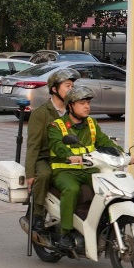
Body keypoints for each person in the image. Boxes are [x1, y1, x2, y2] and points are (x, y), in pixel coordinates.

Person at [46, 85, 119, 252]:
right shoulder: (57, 126)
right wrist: (69, 156)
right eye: (82, 103)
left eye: (88, 103)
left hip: (88, 170)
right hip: (65, 170)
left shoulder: (92, 124)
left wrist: (123, 154)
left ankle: (107, 224)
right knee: (72, 189)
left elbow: (104, 142)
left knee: (109, 187)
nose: (87, 106)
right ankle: (65, 233)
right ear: (70, 106)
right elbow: (58, 146)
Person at [23, 68, 80, 228]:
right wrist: (30, 173)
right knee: (45, 174)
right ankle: (37, 213)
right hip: (45, 157)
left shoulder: (73, 112)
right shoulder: (41, 113)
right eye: (67, 86)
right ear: (54, 89)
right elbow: (33, 145)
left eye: (73, 86)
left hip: (68, 157)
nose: (72, 89)